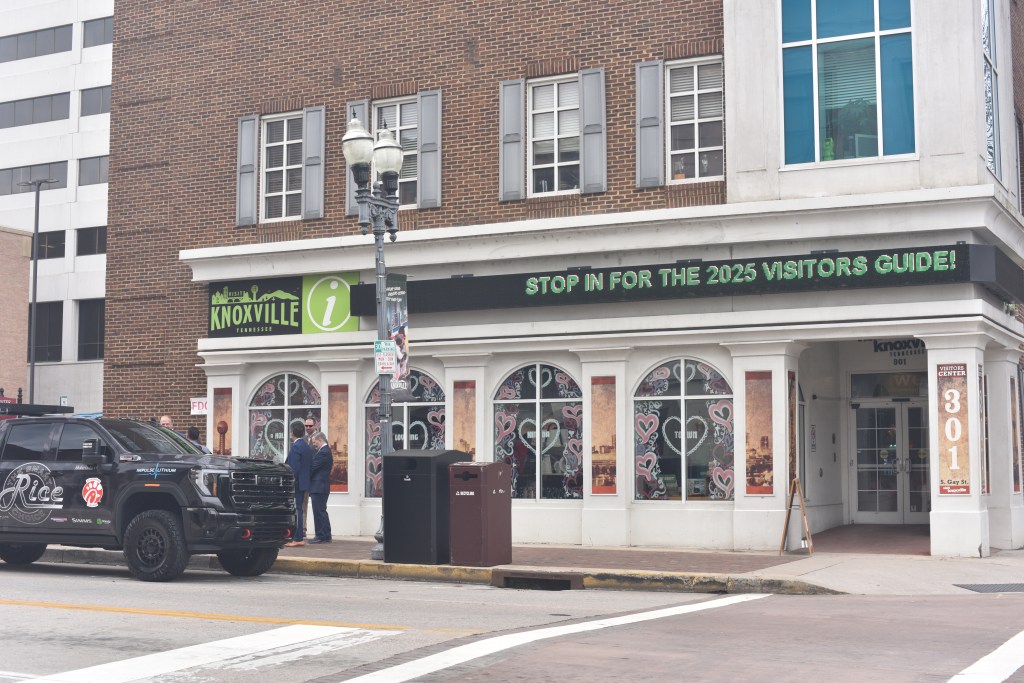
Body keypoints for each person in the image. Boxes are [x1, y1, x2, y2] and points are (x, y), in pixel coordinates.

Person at [284, 422, 312, 547]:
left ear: (292, 433)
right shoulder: (306, 446)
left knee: (296, 510)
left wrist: (290, 481)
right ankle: (298, 537)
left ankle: (297, 538)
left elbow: (294, 468)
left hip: (296, 483)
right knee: (299, 509)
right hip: (304, 482)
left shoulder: (296, 447)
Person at [307, 430, 333, 544]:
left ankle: (321, 535)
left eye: (315, 442)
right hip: (321, 486)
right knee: (322, 511)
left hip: (318, 486)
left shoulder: (324, 452)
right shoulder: (325, 451)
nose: (314, 445)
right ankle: (326, 535)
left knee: (318, 512)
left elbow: (313, 467)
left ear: (320, 440)